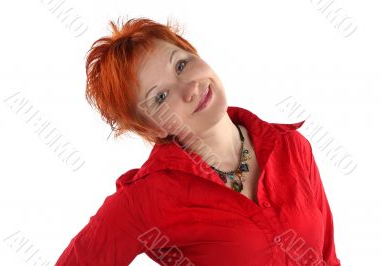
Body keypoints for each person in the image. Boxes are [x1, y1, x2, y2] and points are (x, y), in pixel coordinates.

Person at [55, 17, 341, 266]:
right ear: (151, 127)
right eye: (160, 97)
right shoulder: (146, 200)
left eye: (181, 65)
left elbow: (328, 258)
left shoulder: (291, 146)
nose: (190, 88)